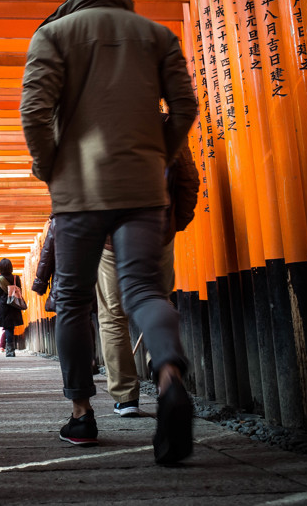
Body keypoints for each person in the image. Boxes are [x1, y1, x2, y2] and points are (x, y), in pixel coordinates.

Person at [20, 0, 198, 463]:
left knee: (74, 300)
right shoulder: (156, 35)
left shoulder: (52, 35)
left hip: (78, 193)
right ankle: (168, 375)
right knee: (144, 289)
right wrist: (155, 153)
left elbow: (34, 112)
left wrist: (50, 167)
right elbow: (184, 107)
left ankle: (81, 416)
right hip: (143, 187)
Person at [96, 128, 199, 418]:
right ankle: (168, 377)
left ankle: (126, 397)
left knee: (113, 317)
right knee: (156, 299)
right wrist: (174, 224)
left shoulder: (93, 120)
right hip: (157, 232)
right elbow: (189, 180)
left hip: (109, 241)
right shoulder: (165, 124)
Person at [0, 258, 23, 357]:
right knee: (11, 327)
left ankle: (9, 350)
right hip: (14, 305)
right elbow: (19, 291)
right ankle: (10, 349)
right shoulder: (16, 278)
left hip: (4, 305)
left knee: (7, 327)